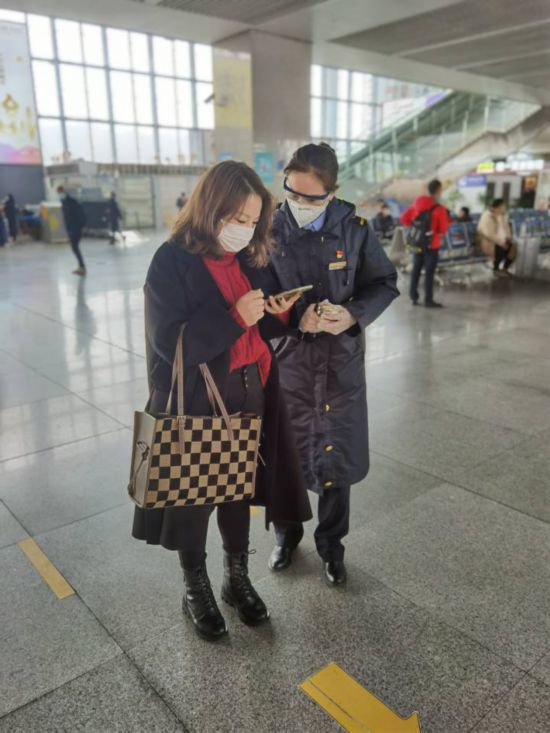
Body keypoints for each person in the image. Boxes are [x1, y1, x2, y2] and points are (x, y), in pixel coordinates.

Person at [132, 161, 312, 641]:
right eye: (237, 218)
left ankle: (237, 577)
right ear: (211, 208)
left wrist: (275, 313)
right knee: (193, 497)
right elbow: (169, 344)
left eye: (252, 220)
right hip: (199, 400)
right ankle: (196, 587)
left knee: (237, 492)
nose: (245, 229)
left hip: (251, 390)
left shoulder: (247, 258)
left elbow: (257, 322)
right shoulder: (171, 261)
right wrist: (235, 317)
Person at [264, 142, 399, 586]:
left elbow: (383, 282)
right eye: (291, 192)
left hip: (340, 365)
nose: (298, 203)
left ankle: (331, 546)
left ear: (332, 192)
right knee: (286, 455)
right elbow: (257, 295)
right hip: (289, 363)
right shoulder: (269, 229)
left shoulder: (355, 230)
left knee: (335, 457)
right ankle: (286, 536)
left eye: (311, 197)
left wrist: (353, 314)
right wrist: (293, 318)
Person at [401, 179, 451, 308]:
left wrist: (416, 229)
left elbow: (404, 219)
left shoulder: (416, 204)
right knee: (429, 273)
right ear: (438, 191)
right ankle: (428, 300)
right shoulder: (439, 209)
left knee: (416, 270)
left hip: (417, 244)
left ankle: (413, 297)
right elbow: (443, 229)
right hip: (431, 245)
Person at [477, 198, 516, 277]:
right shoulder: (487, 216)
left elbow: (507, 229)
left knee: (513, 248)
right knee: (500, 247)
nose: (504, 208)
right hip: (488, 241)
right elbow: (488, 233)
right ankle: (496, 269)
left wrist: (508, 238)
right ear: (497, 207)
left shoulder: (502, 216)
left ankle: (505, 269)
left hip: (501, 240)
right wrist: (501, 242)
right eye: (503, 206)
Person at [57, 186, 87, 276]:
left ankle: (82, 267)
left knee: (74, 247)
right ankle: (81, 267)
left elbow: (80, 213)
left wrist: (82, 225)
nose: (59, 195)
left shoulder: (72, 202)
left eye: (60, 193)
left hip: (76, 227)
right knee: (74, 247)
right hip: (71, 228)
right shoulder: (64, 203)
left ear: (64, 192)